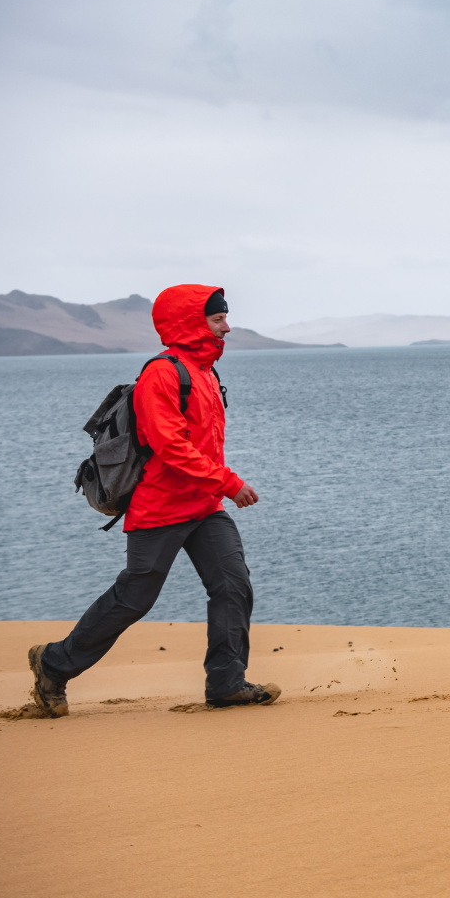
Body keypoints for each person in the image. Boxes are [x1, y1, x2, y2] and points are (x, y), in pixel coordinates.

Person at [27, 285, 279, 715]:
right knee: (134, 598)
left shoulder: (205, 372)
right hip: (161, 507)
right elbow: (170, 446)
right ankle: (53, 663)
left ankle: (226, 683)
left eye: (225, 318)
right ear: (191, 323)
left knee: (233, 586)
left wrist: (216, 488)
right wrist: (228, 482)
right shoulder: (162, 375)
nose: (227, 326)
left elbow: (201, 443)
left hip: (203, 507)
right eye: (218, 319)